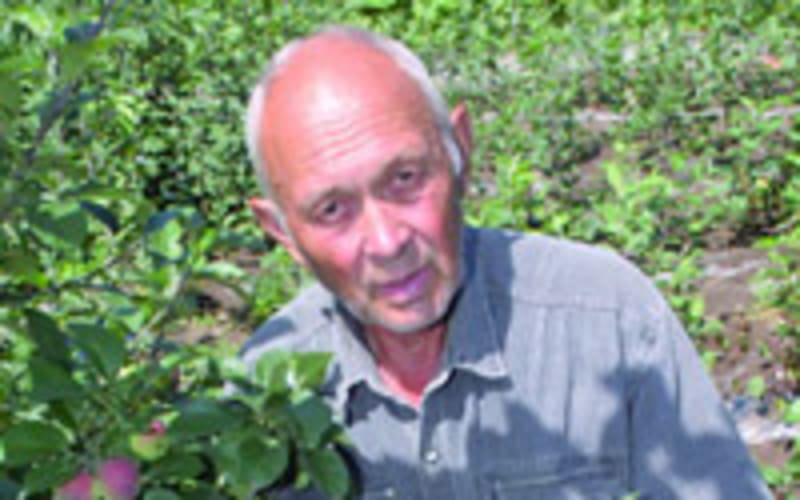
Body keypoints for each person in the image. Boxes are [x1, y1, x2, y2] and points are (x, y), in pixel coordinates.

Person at [240, 26, 771, 499]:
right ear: (282, 231)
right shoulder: (259, 396)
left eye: (404, 179)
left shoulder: (608, 318)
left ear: (460, 150)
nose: (386, 242)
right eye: (332, 210)